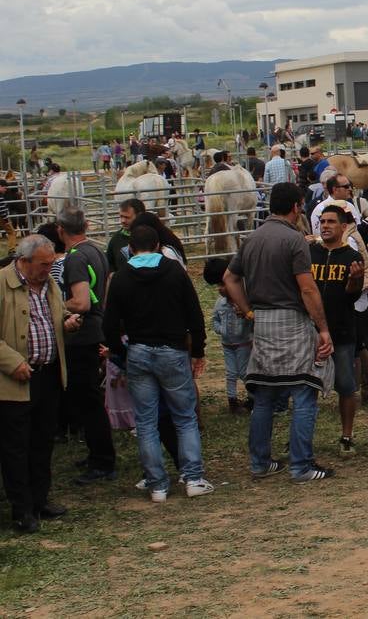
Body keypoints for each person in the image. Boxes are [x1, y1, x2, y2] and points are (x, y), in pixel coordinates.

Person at [222, 182, 336, 483]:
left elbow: (229, 279)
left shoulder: (251, 239)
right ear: (297, 206)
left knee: (264, 396)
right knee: (304, 390)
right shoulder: (294, 240)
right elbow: (307, 288)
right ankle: (301, 465)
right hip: (292, 320)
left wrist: (248, 311)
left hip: (262, 322)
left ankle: (260, 462)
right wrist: (323, 329)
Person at [103, 225, 212, 502]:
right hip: (173, 351)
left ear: (130, 248)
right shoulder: (174, 271)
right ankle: (193, 478)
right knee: (185, 417)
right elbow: (194, 314)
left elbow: (109, 324)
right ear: (157, 245)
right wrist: (197, 350)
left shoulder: (122, 277)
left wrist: (121, 355)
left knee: (146, 421)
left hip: (138, 351)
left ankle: (157, 485)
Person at [0, 235, 78, 533]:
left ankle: (40, 499)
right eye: (44, 264)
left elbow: (53, 317)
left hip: (48, 375)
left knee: (43, 441)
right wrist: (13, 362)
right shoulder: (2, 284)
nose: (49, 269)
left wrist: (67, 321)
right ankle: (22, 509)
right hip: (14, 380)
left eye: (51, 263)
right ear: (24, 260)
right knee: (16, 446)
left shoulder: (49, 285)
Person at [54, 208, 117, 486]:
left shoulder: (75, 259)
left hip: (81, 336)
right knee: (90, 398)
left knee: (87, 400)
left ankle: (102, 460)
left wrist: (53, 306)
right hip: (97, 329)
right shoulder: (96, 251)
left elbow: (81, 302)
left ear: (60, 230)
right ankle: (97, 452)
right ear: (87, 225)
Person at [310, 205, 366, 457]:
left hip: (342, 331)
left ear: (343, 227)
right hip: (310, 332)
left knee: (346, 385)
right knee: (306, 387)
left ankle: (346, 435)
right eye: (322, 221)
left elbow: (352, 297)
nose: (325, 225)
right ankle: (304, 437)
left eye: (331, 221)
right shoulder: (310, 253)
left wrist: (355, 281)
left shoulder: (351, 258)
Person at [204, 257, 253, 415]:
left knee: (245, 372)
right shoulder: (221, 303)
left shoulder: (245, 298)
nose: (220, 289)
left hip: (244, 343)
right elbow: (215, 320)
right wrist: (221, 330)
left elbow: (252, 321)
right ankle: (233, 400)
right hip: (228, 344)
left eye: (222, 284)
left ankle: (253, 398)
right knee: (231, 373)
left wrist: (246, 315)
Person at [105, 198, 145, 274]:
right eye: (121, 216)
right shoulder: (116, 238)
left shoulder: (151, 237)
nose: (123, 221)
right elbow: (110, 262)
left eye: (127, 217)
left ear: (139, 216)